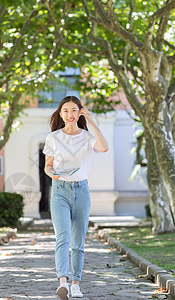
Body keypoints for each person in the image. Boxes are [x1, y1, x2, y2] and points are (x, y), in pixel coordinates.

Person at [43, 95, 108, 299]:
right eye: (65, 111)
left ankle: (76, 284)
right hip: (60, 190)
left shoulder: (88, 137)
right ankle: (63, 281)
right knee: (63, 238)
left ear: (79, 112)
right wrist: (50, 173)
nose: (69, 114)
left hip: (81, 191)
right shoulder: (53, 137)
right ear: (60, 114)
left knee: (78, 241)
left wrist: (90, 120)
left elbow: (104, 147)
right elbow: (48, 165)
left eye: (74, 110)